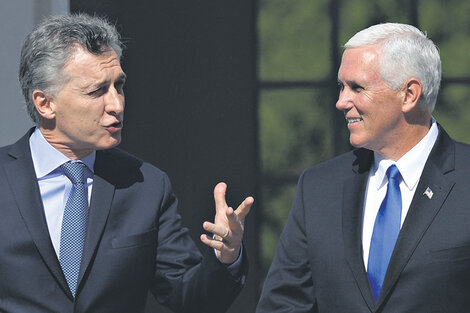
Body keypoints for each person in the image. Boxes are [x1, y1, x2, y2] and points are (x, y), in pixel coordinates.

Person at [0, 13, 253, 313]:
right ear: (45, 103)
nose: (116, 104)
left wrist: (227, 256)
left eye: (118, 86)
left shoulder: (144, 185)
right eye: (96, 91)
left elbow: (191, 298)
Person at [257, 23, 470, 312]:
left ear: (409, 94)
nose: (341, 101)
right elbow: (283, 304)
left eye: (357, 87)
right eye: (342, 87)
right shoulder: (319, 188)